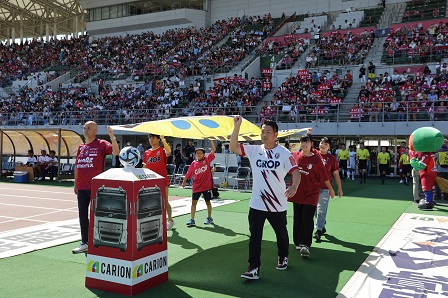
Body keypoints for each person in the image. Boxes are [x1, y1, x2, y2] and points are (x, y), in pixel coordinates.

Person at [230, 117, 300, 280]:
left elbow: (295, 171)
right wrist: (237, 126)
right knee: (254, 237)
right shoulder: (255, 150)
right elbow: (233, 146)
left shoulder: (284, 153)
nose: (264, 134)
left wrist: (294, 185)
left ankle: (283, 256)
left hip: (278, 204)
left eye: (268, 132)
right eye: (262, 131)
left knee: (281, 234)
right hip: (257, 204)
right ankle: (253, 267)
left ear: (276, 135)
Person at [72, 121, 119, 254]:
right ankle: (85, 242)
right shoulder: (81, 147)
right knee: (82, 215)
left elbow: (116, 152)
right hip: (81, 187)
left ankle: (102, 240)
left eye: (89, 128)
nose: (85, 130)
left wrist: (112, 136)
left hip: (96, 187)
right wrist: (76, 184)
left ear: (96, 131)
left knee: (98, 215)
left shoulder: (102, 144)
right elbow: (77, 166)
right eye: (84, 128)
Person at [289, 133, 334, 259]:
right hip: (297, 193)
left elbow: (324, 177)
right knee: (297, 218)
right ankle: (297, 242)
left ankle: (305, 245)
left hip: (311, 194)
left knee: (307, 219)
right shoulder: (294, 155)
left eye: (307, 142)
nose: (304, 144)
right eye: (302, 142)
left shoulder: (316, 159)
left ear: (311, 144)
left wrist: (331, 189)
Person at [143, 134, 175, 230]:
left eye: (153, 138)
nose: (151, 140)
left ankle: (170, 220)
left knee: (164, 201)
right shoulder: (146, 152)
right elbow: (144, 166)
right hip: (150, 181)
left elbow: (169, 151)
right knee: (151, 203)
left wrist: (163, 139)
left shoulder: (162, 150)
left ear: (158, 139)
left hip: (162, 180)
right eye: (150, 138)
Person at [182, 141, 216, 226]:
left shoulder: (207, 160)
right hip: (196, 186)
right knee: (194, 203)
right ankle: (192, 219)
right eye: (197, 153)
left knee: (207, 202)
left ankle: (209, 217)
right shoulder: (193, 163)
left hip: (206, 186)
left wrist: (211, 140)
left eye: (200, 153)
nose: (199, 154)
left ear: (204, 154)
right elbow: (188, 174)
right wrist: (184, 181)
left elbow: (214, 149)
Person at [314, 138, 343, 241]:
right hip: (313, 187)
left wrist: (339, 188)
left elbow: (336, 174)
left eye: (326, 144)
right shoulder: (314, 155)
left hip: (325, 188)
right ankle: (322, 225)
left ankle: (318, 230)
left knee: (321, 209)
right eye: (322, 143)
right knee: (314, 210)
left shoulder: (332, 159)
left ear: (329, 147)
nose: (323, 145)